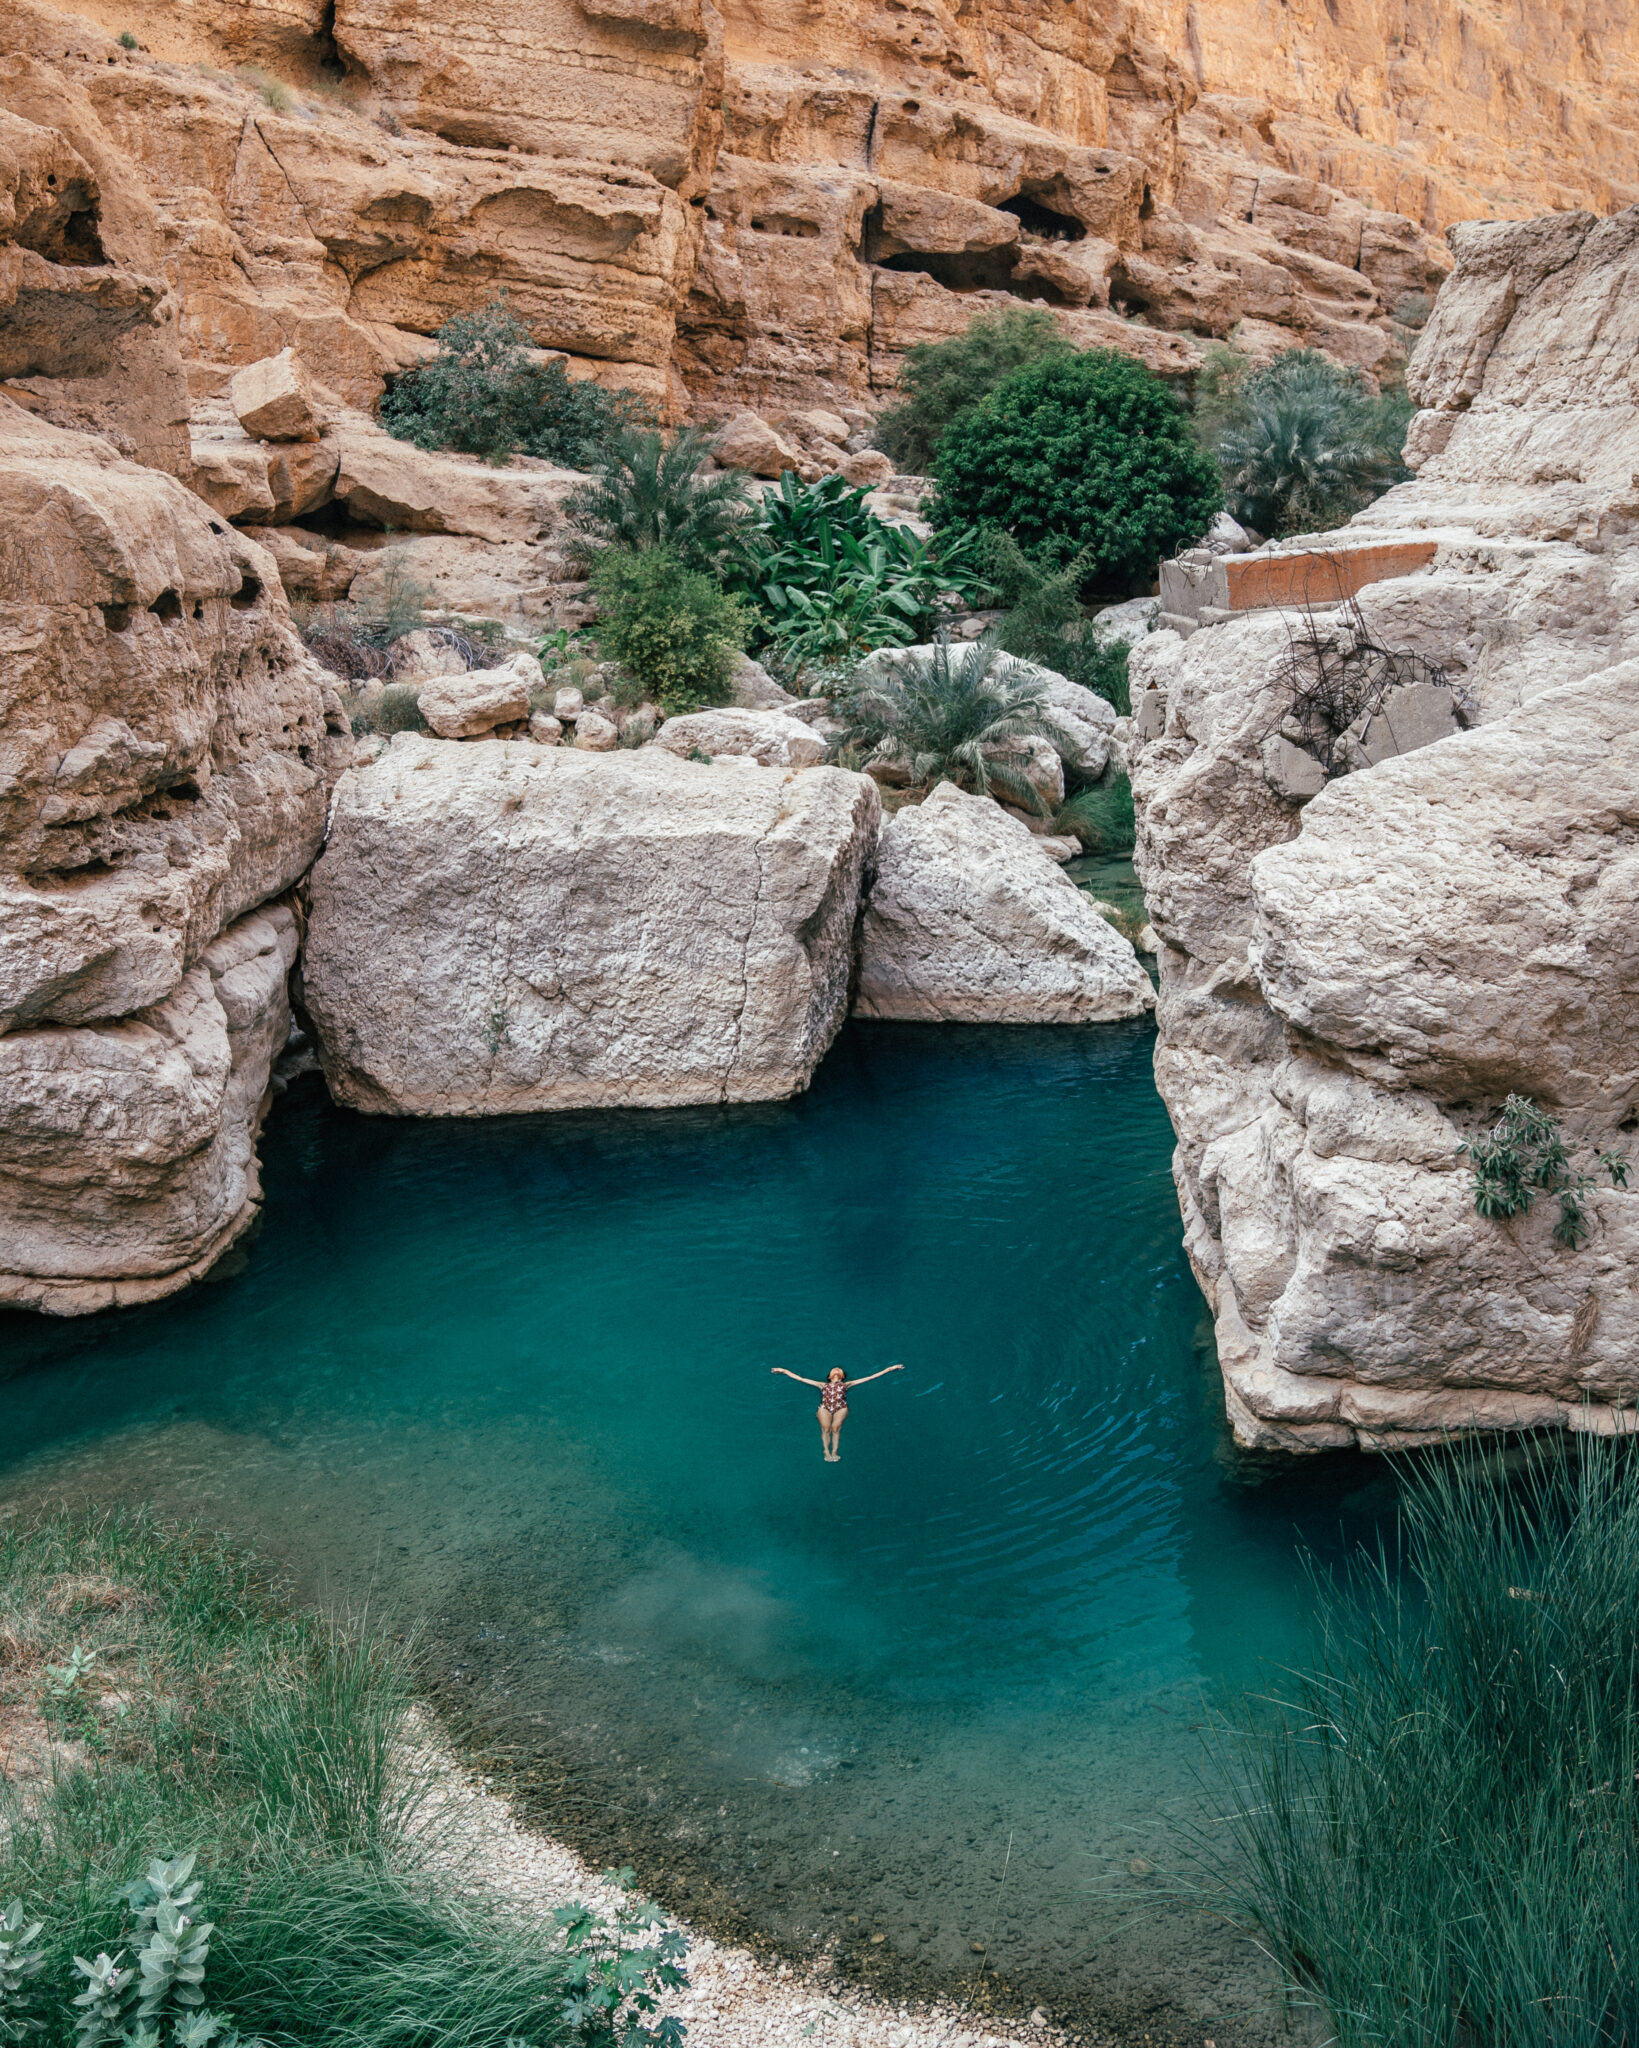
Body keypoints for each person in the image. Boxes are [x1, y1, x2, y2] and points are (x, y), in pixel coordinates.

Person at [771, 1363, 904, 1462]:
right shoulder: (822, 1385)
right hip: (825, 1407)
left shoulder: (847, 1384)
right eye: (834, 1370)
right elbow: (801, 1378)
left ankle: (834, 1451)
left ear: (843, 1376)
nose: (836, 1369)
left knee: (835, 1428)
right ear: (829, 1376)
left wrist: (889, 1369)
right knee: (825, 1428)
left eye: (839, 1370)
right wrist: (784, 1371)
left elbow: (870, 1377)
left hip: (841, 1407)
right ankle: (826, 1452)